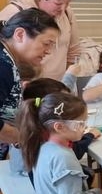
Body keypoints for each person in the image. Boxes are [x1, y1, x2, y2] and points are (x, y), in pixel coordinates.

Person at [16, 92, 102, 194]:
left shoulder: (44, 147)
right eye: (81, 123)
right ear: (59, 127)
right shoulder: (62, 156)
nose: (85, 127)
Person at [20, 78, 101, 184]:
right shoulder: (51, 142)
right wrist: (89, 136)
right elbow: (75, 151)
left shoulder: (36, 126)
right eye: (64, 100)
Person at [0, 0, 79, 80]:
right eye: (58, 4)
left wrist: (67, 82)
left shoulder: (67, 13)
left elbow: (73, 51)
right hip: (25, 86)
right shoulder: (14, 12)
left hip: (56, 87)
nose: (63, 9)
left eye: (67, 3)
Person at [0, 8, 60, 147]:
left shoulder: (8, 61)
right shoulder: (3, 65)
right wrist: (29, 138)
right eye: (46, 43)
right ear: (20, 34)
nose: (48, 51)